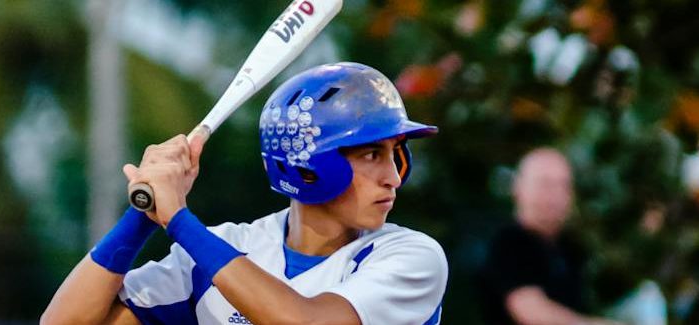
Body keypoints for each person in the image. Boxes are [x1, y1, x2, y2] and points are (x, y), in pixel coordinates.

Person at [41, 62, 448, 325]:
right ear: (311, 163)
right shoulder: (225, 250)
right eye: (372, 154)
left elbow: (305, 323)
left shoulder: (411, 257)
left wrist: (179, 220)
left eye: (396, 155)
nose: (393, 176)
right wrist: (144, 212)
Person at [479, 148, 610, 325]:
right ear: (519, 188)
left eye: (563, 185)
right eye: (545, 184)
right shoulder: (507, 242)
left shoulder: (570, 247)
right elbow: (529, 310)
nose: (555, 195)